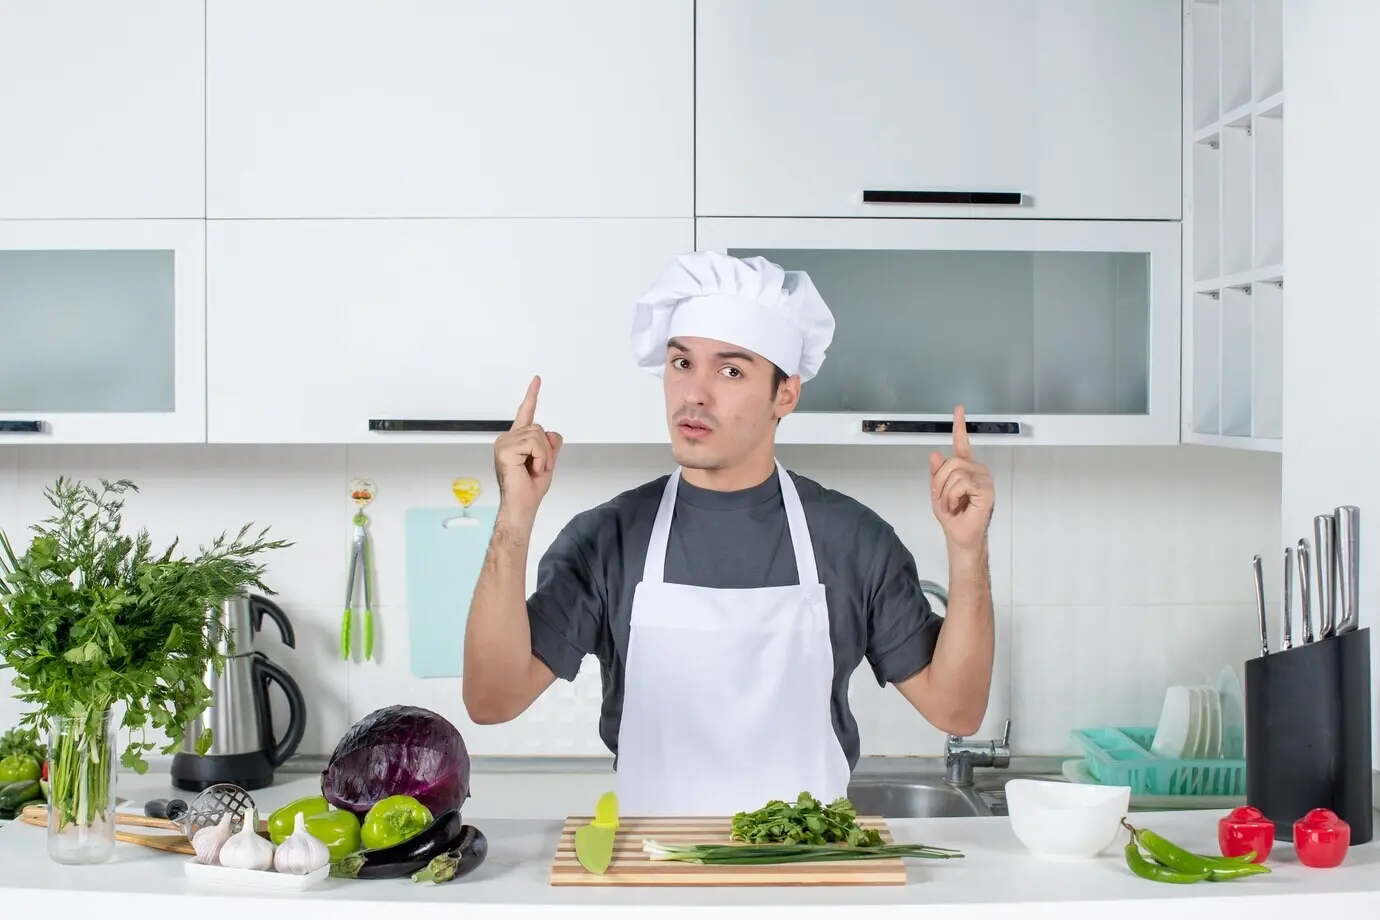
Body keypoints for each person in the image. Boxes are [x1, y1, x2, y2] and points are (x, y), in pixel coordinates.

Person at [462, 251, 996, 817]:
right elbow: (491, 698)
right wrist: (514, 518)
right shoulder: (606, 539)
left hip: (807, 872)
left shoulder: (853, 540)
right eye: (681, 363)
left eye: (732, 370)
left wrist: (968, 552)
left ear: (785, 395)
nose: (695, 393)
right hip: (657, 874)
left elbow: (957, 711)